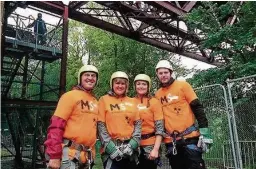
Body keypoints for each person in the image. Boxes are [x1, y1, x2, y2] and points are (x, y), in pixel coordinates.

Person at [154, 60, 213, 169]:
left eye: (165, 72)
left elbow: (197, 107)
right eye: (160, 73)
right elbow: (158, 119)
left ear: (170, 72)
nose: (163, 75)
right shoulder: (157, 95)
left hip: (189, 138)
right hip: (171, 141)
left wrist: (205, 131)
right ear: (157, 75)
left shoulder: (183, 86)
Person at [44, 65, 99, 169]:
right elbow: (56, 126)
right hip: (69, 155)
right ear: (80, 78)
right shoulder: (69, 96)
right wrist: (54, 156)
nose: (90, 78)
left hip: (87, 157)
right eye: (87, 75)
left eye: (93, 76)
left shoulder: (95, 101)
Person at [97, 71, 141, 169]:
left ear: (126, 85)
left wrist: (133, 144)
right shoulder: (104, 100)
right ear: (112, 84)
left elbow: (138, 125)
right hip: (111, 151)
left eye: (123, 83)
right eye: (117, 83)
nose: (120, 86)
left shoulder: (133, 101)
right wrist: (110, 147)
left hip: (130, 150)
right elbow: (101, 126)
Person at [133, 74, 164, 169]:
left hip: (150, 145)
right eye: (138, 84)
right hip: (134, 145)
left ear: (148, 86)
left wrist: (156, 149)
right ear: (135, 86)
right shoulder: (130, 102)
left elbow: (160, 128)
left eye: (144, 84)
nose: (141, 86)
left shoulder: (155, 102)